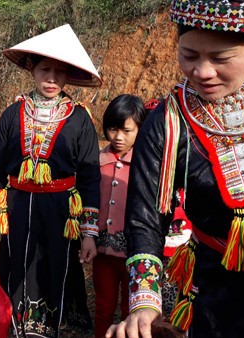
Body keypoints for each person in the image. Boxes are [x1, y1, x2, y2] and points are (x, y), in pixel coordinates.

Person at [106, 0, 244, 337]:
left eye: (221, 58)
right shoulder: (168, 121)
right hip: (217, 291)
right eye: (189, 56)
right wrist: (145, 302)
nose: (203, 72)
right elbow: (144, 218)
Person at [0, 24, 102, 337]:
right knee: (15, 261)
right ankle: (13, 321)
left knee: (54, 263)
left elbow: (89, 177)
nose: (51, 79)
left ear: (69, 75)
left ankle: (48, 326)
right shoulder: (13, 113)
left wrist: (88, 233)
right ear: (32, 69)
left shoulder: (79, 118)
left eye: (60, 73)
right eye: (45, 70)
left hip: (60, 209)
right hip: (18, 205)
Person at [93, 94, 147, 338]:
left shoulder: (146, 165)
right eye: (113, 129)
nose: (118, 137)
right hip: (102, 252)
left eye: (127, 130)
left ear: (140, 130)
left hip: (133, 253)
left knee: (130, 309)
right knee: (103, 306)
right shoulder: (97, 162)